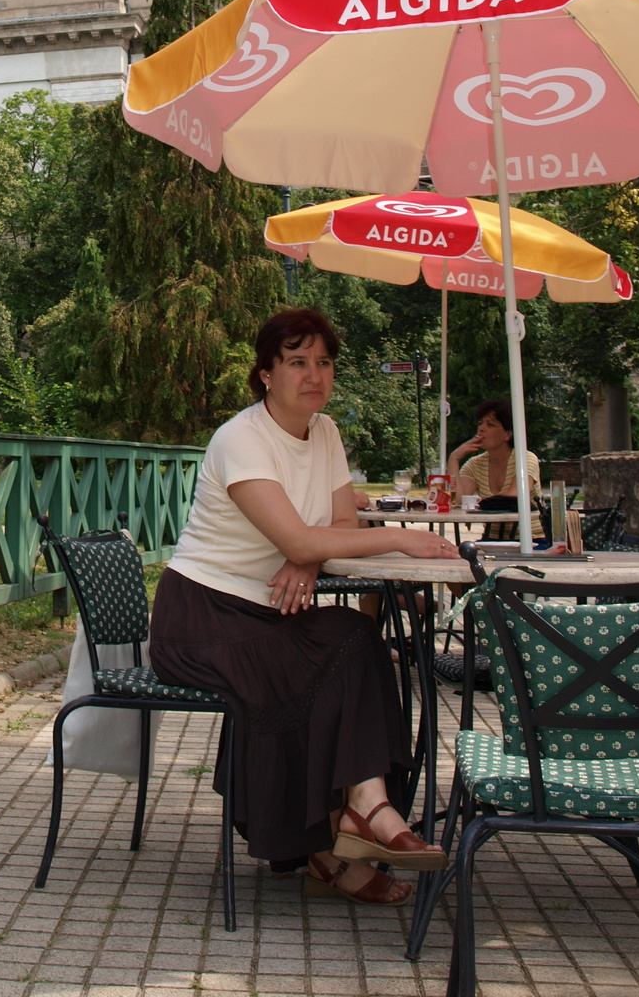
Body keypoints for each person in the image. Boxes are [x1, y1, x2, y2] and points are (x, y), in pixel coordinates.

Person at [148, 307, 462, 906]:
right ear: (266, 372)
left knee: (353, 638)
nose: (314, 374)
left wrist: (311, 556)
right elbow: (301, 535)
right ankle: (355, 822)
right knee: (337, 649)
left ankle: (353, 823)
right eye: (297, 361)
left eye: (324, 362)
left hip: (268, 610)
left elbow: (336, 524)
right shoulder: (241, 438)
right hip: (203, 617)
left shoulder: (326, 433)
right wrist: (395, 534)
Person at [447, 397, 542, 542]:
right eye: (480, 423)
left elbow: (513, 499)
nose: (482, 428)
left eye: (490, 425)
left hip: (531, 539)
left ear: (507, 434)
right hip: (492, 539)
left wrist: (477, 503)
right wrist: (454, 459)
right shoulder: (475, 464)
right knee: (458, 554)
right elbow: (457, 499)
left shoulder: (525, 459)